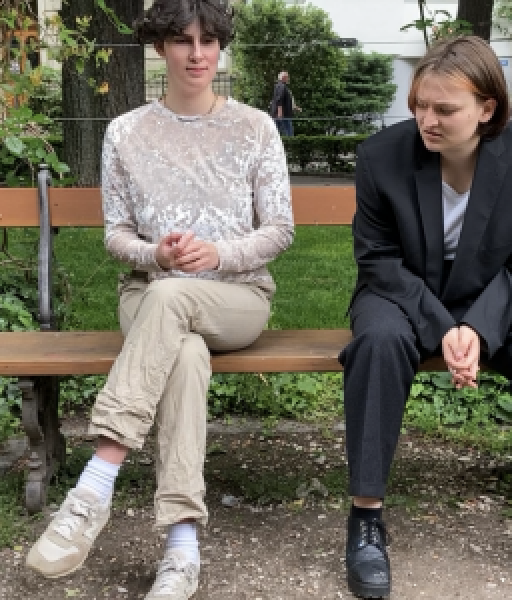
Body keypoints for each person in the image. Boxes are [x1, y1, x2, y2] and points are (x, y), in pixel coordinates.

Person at [25, 1, 293, 599]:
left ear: (220, 46)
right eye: (182, 41)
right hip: (148, 294)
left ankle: (95, 486)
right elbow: (116, 234)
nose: (197, 54)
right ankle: (181, 545)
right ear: (160, 47)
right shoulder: (126, 132)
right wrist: (158, 256)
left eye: (208, 40)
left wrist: (219, 254)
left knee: (175, 302)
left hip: (237, 297)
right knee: (185, 353)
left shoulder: (255, 127)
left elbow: (279, 230)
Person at [339, 35, 512, 600]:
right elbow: (378, 260)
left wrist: (478, 326)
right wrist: (444, 328)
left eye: (444, 109)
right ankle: (365, 520)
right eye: (418, 105)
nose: (426, 120)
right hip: (403, 290)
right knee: (378, 340)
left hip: (504, 291)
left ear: (486, 108)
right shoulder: (381, 157)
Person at [270, 71, 300, 136]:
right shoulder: (281, 86)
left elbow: (285, 100)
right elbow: (279, 99)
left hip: (282, 115)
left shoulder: (281, 86)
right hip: (283, 115)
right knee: (289, 134)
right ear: (284, 77)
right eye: (287, 77)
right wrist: (280, 114)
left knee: (277, 134)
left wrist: (295, 107)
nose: (288, 79)